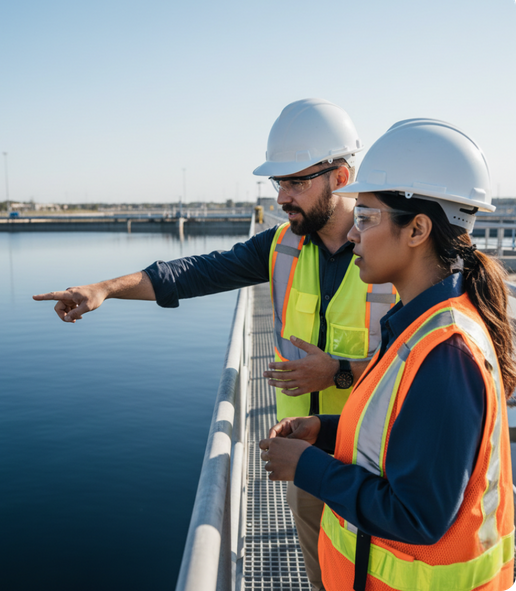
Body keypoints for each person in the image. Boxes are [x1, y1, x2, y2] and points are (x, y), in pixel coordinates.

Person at [33, 98, 397, 590]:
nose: (282, 198)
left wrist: (337, 371)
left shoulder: (389, 249)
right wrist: (105, 289)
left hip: (379, 459)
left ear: (340, 176)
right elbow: (193, 272)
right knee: (325, 577)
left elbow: (423, 359)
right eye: (278, 184)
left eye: (296, 182)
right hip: (306, 454)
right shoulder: (279, 246)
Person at [259, 118, 515, 591]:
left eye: (367, 217)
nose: (353, 235)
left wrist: (307, 467)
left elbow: (418, 515)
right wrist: (325, 431)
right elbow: (405, 437)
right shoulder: (416, 324)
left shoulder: (447, 353)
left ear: (417, 228)